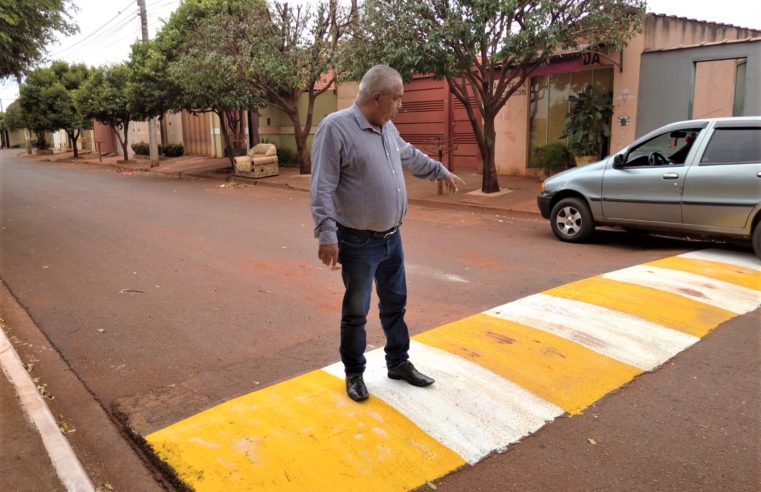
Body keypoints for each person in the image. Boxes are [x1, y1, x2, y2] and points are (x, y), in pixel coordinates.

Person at [310, 65, 465, 402]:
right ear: (377, 97)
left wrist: (439, 171)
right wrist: (326, 233)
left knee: (395, 304)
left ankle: (398, 362)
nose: (400, 106)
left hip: (391, 239)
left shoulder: (388, 128)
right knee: (356, 312)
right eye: (396, 99)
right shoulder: (335, 129)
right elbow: (322, 186)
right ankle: (354, 373)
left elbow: (408, 155)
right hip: (357, 242)